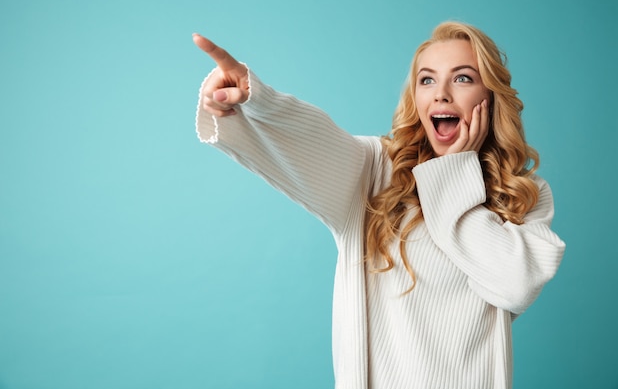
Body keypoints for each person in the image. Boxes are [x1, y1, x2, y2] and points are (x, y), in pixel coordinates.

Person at [192, 22, 565, 389]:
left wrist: (455, 172)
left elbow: (516, 285)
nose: (441, 94)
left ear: (490, 95)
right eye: (427, 80)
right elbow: (314, 141)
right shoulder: (375, 169)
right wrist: (257, 99)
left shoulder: (522, 195)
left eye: (463, 78)